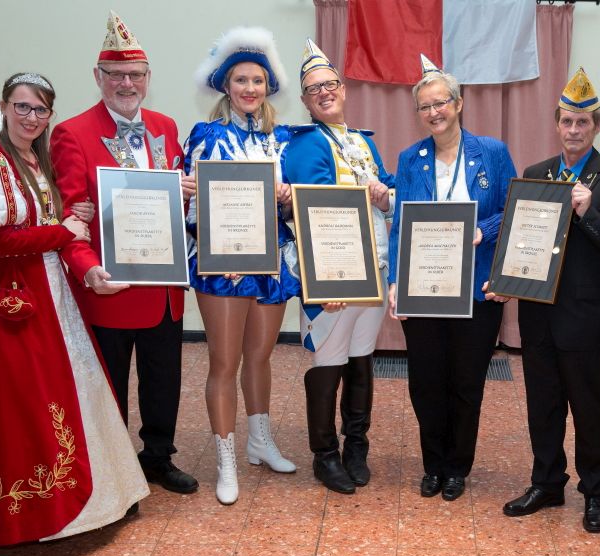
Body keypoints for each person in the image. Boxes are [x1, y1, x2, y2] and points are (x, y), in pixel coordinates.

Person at [0, 72, 149, 546]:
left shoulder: (37, 163)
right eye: (22, 107)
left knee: (65, 386)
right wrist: (64, 232)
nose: (31, 117)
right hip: (8, 297)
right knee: (18, 397)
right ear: (4, 107)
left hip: (51, 292)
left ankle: (93, 492)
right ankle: (18, 512)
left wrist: (71, 229)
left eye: (40, 110)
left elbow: (50, 223)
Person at [51, 12, 198, 495]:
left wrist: (187, 193)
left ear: (148, 79)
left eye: (135, 74)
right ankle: (113, 473)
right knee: (109, 386)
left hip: (162, 287)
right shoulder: (71, 133)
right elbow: (70, 216)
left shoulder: (166, 125)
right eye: (116, 75)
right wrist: (89, 269)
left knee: (163, 382)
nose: (126, 83)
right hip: (110, 285)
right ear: (98, 78)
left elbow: (167, 201)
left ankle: (158, 457)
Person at [501, 68, 600, 532]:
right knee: (542, 404)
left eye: (583, 123)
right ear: (557, 125)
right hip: (537, 312)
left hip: (581, 315)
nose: (574, 131)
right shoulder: (536, 174)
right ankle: (547, 483)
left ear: (597, 126)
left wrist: (589, 210)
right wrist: (509, 278)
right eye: (566, 122)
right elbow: (521, 240)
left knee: (587, 405)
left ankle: (596, 491)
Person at [388, 55, 516, 501]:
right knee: (425, 381)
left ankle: (458, 466)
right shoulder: (410, 160)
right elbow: (401, 224)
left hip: (478, 289)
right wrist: (395, 281)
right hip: (424, 289)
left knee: (466, 382)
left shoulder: (492, 153)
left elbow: (512, 209)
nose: (433, 113)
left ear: (459, 104)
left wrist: (484, 231)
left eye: (440, 103)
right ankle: (433, 464)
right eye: (424, 107)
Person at [183, 27, 299, 505]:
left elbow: (295, 208)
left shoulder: (284, 141)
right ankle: (225, 458)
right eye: (241, 81)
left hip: (270, 263)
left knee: (260, 357)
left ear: (268, 87)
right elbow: (193, 210)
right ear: (225, 87)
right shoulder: (207, 135)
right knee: (224, 363)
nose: (249, 88)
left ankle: (258, 439)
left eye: (257, 81)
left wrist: (290, 198)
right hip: (223, 267)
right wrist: (187, 193)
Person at [284, 40, 394, 494]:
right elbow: (305, 215)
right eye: (314, 90)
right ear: (305, 101)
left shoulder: (364, 143)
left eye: (330, 85)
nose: (324, 93)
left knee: (362, 357)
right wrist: (319, 278)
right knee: (328, 360)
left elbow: (387, 195)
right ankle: (325, 454)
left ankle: (357, 445)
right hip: (333, 274)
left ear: (343, 89)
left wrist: (386, 194)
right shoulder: (304, 144)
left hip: (375, 266)